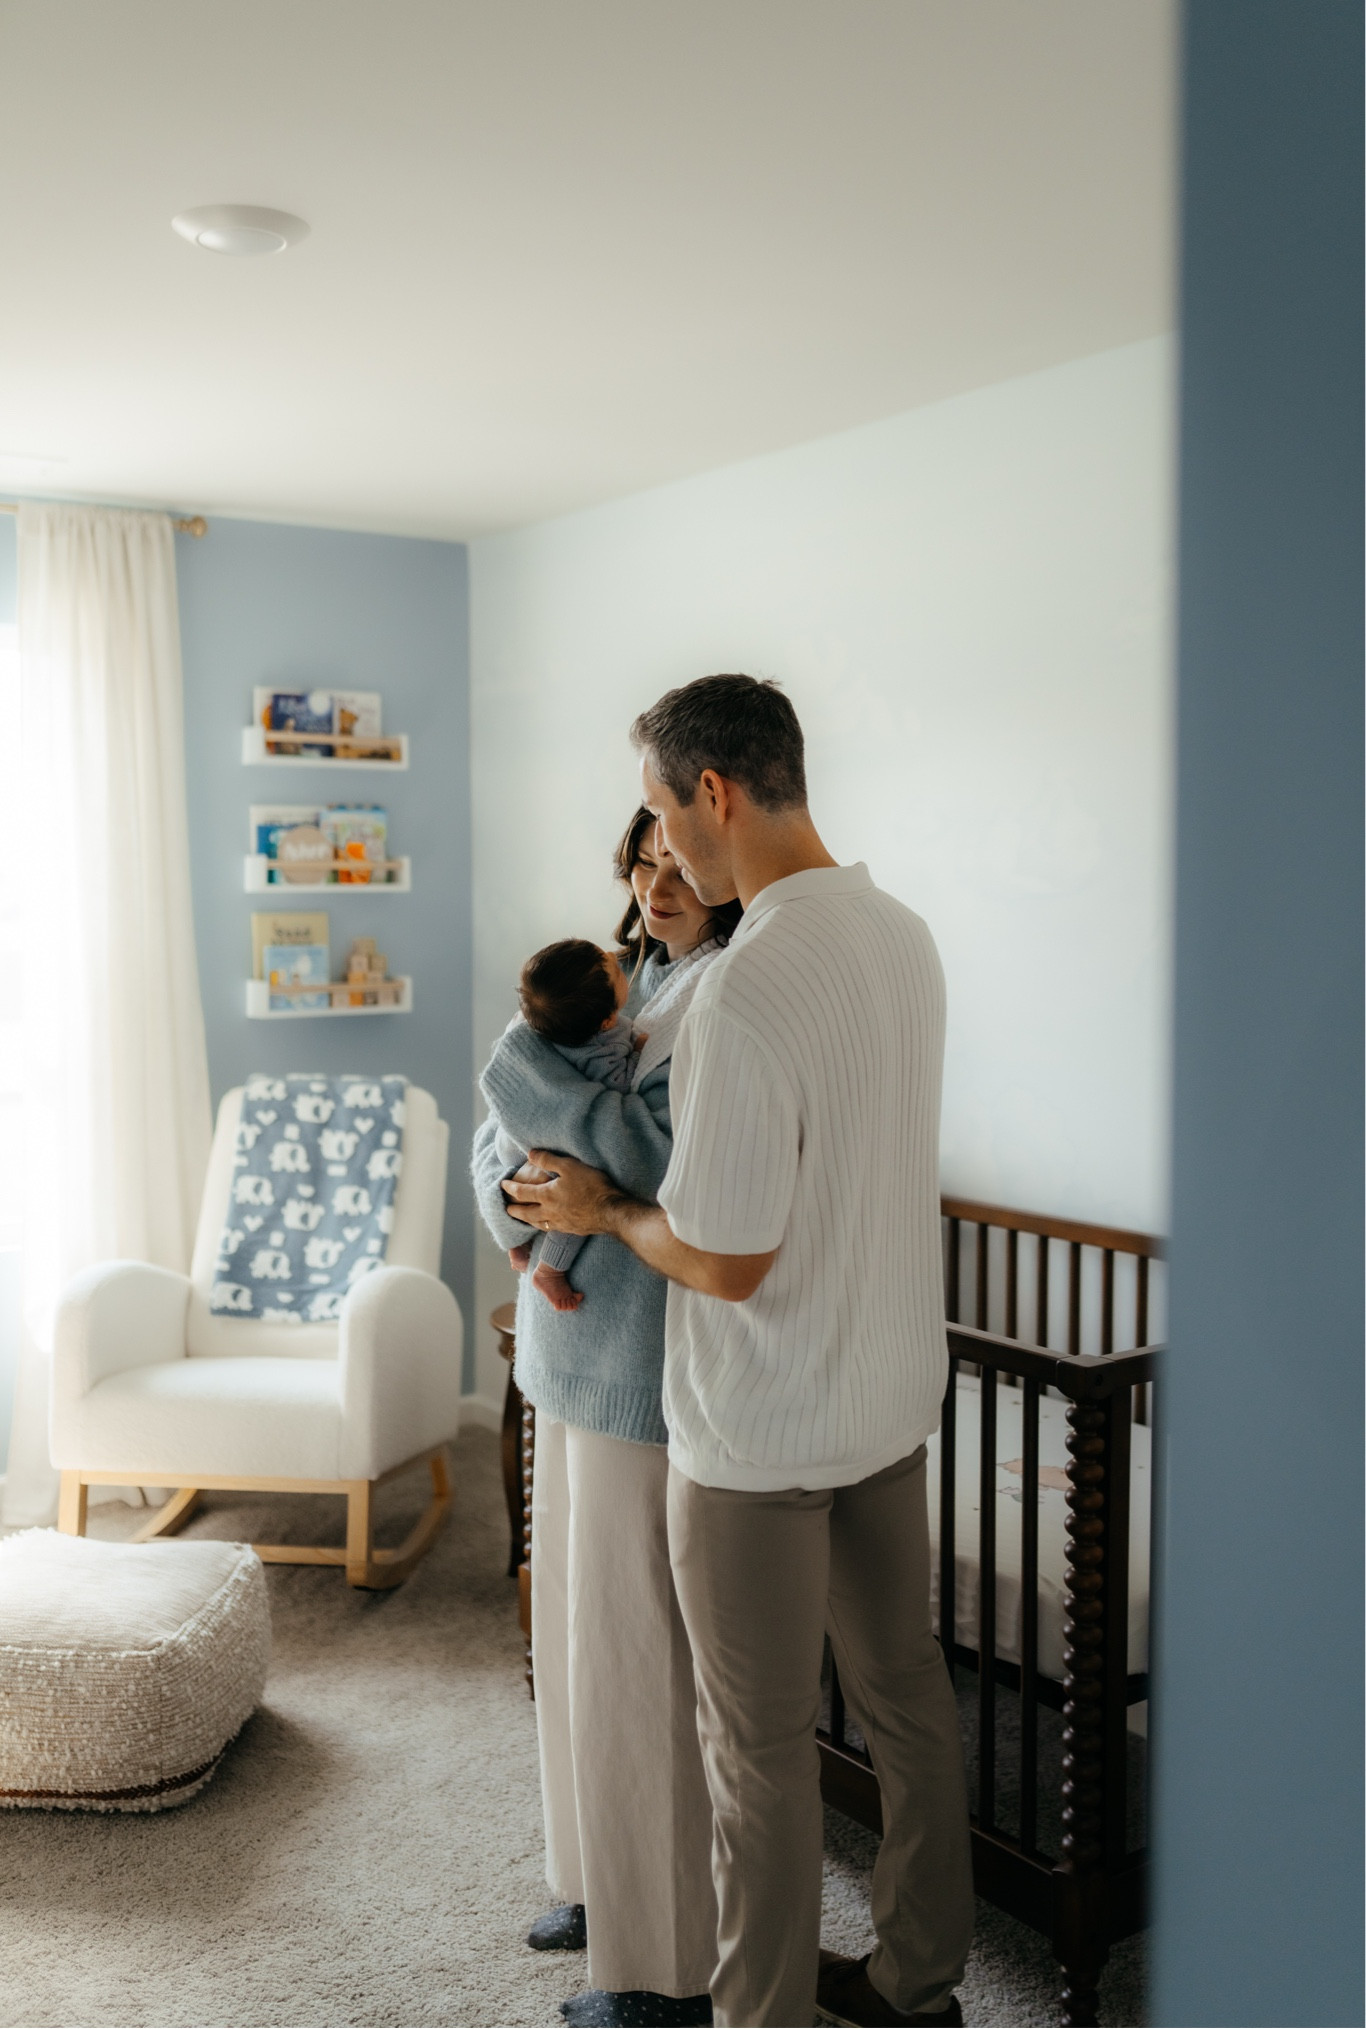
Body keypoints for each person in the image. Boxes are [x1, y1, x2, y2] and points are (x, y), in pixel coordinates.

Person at [501, 675, 975, 2029]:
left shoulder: (744, 988)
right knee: (907, 1705)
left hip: (760, 1434)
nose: (660, 844)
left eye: (660, 806)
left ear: (711, 793)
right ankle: (917, 1981)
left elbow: (725, 1256)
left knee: (757, 1757)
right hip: (887, 1402)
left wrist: (602, 1211)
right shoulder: (903, 935)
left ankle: (758, 2013)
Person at [472, 808, 741, 2029]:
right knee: (576, 1643)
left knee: (637, 1656)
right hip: (559, 1352)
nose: (658, 878)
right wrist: (528, 1201)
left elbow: (653, 1159)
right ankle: (590, 1877)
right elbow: (500, 1143)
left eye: (679, 857)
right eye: (641, 860)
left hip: (643, 1371)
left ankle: (656, 1966)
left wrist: (550, 1117)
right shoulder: (614, 980)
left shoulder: (726, 995)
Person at [507, 938, 643, 1312]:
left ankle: (515, 1241)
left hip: (526, 1136)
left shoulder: (541, 1020)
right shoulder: (603, 1050)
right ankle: (550, 1269)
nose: (617, 957)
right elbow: (621, 1084)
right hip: (561, 1146)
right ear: (607, 1020)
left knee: (517, 1180)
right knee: (570, 1205)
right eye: (614, 969)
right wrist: (640, 1051)